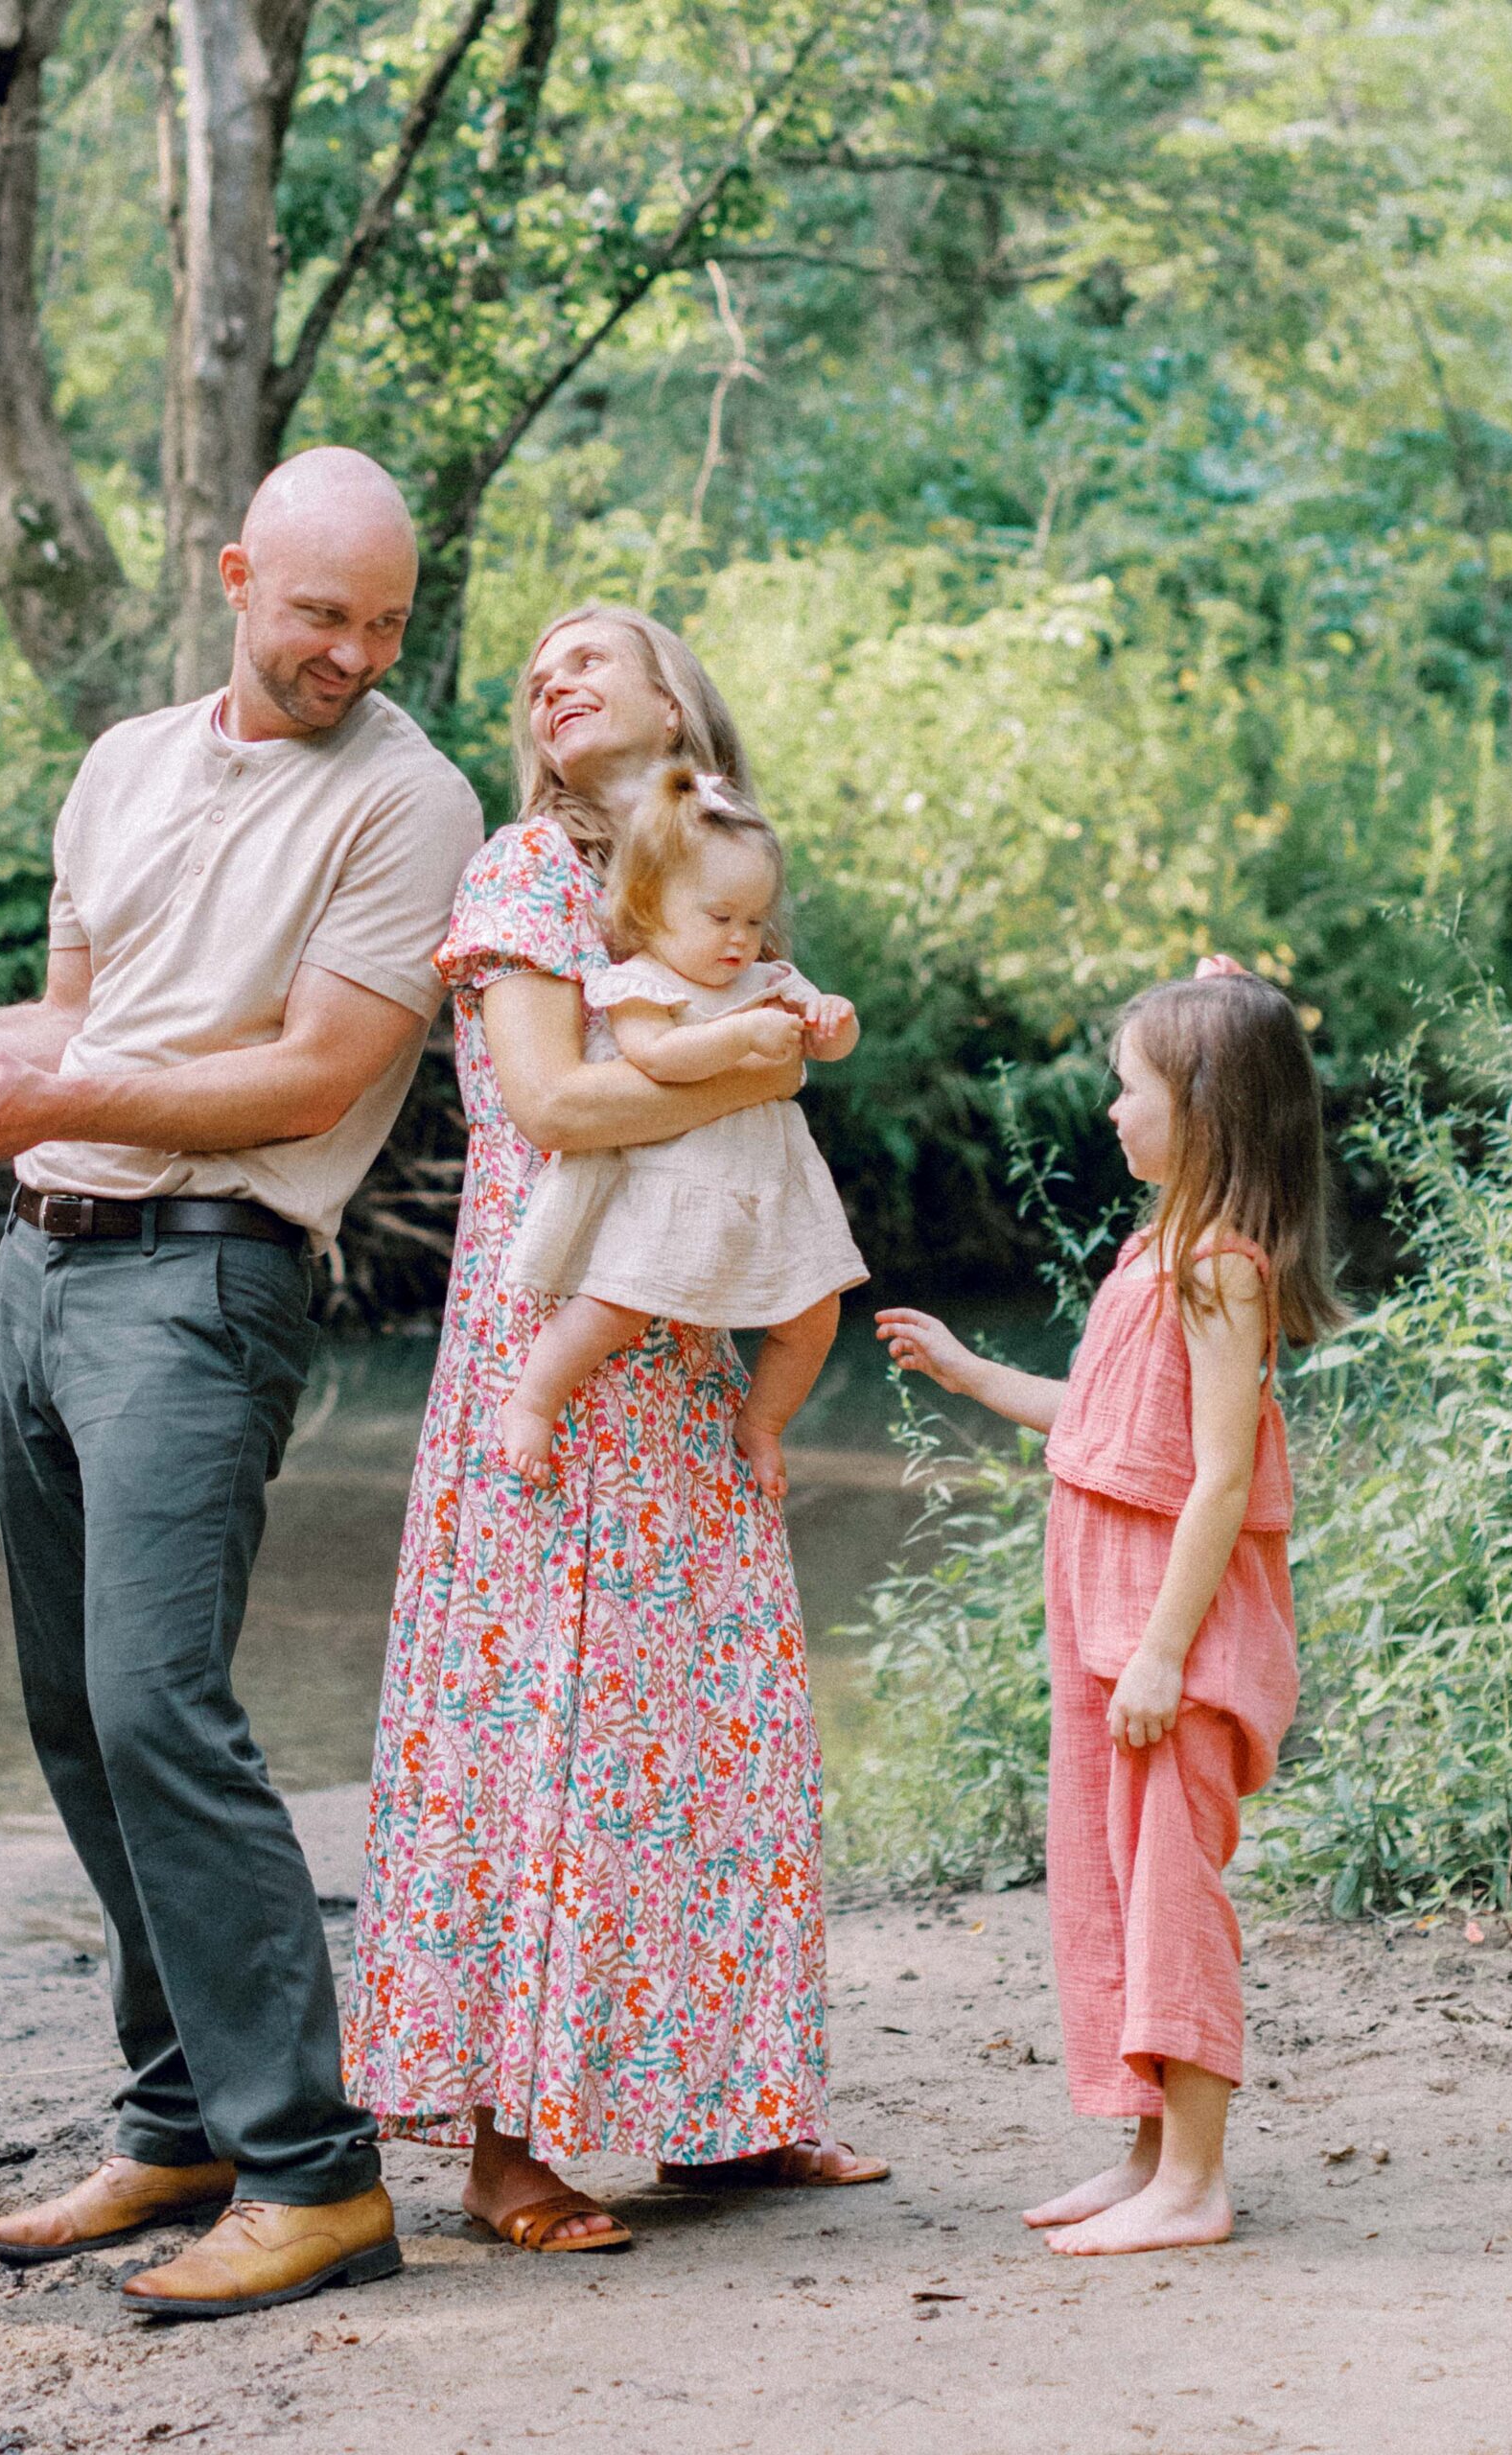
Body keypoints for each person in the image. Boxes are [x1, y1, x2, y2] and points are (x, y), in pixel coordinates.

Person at [0, 447, 483, 2319]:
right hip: (41, 1262)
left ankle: (311, 2169)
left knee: (160, 1706)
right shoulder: (126, 762)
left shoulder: (409, 799)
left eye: (382, 622)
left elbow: (310, 1076)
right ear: (232, 577)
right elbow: (69, 1024)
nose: (353, 654)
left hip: (206, 1280)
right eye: (318, 615)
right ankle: (180, 2120)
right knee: (70, 1711)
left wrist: (56, 1100)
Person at [345, 603, 889, 2256]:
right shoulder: (526, 872)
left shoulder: (716, 867)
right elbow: (555, 1103)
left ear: (678, 699)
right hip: (559, 1344)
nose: (549, 675)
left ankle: (723, 2111)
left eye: (593, 653)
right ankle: (508, 2148)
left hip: (692, 1347)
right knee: (547, 1728)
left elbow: (776, 1051)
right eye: (539, 668)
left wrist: (767, 1052)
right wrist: (754, 1069)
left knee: (715, 1721)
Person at [875, 959, 1342, 2256]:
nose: (1110, 1112)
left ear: (1198, 1107)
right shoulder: (1156, 1250)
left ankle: (1195, 2183)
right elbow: (1103, 1425)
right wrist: (972, 1377)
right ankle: (1148, 2154)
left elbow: (1220, 1479)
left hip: (1166, 1640)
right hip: (1114, 1627)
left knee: (1171, 1895)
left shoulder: (1221, 1272)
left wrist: (1162, 1655)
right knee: (1114, 1885)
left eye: (1128, 1088)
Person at [496, 760, 867, 1498]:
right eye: (719, 917)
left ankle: (762, 1423)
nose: (740, 939)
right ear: (650, 902)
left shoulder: (766, 980)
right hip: (670, 1184)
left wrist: (833, 1021)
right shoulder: (642, 984)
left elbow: (823, 1046)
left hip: (763, 1188)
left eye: (755, 920)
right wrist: (741, 1041)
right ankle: (532, 1401)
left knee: (816, 1313)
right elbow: (657, 1057)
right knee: (614, 1304)